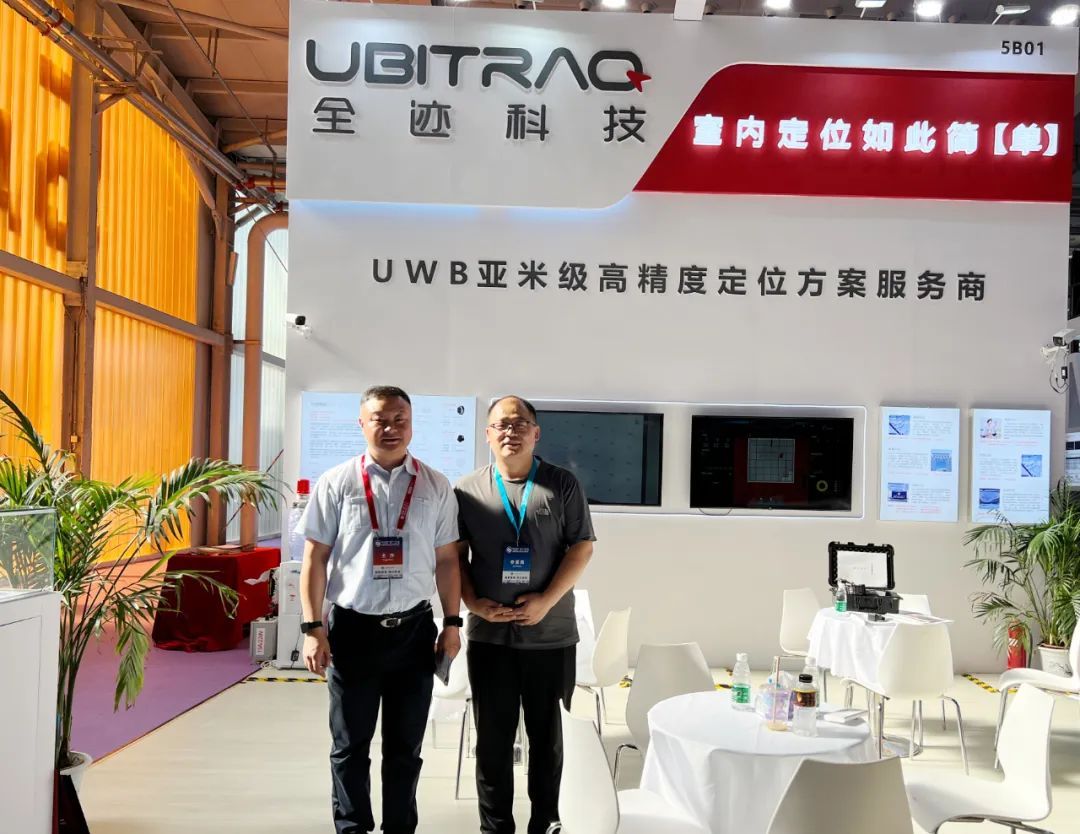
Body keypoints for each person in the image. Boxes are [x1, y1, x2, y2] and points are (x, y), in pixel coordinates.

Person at [297, 385, 462, 834]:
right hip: (352, 632)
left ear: (411, 424)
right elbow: (315, 558)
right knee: (349, 746)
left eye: (399, 420)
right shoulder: (337, 482)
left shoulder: (435, 485)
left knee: (405, 748)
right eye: (380, 420)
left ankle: (399, 828)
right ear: (362, 424)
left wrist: (451, 623)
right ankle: (351, 827)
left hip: (414, 632)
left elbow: (448, 560)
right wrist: (312, 628)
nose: (390, 428)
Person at [455, 395, 596, 834]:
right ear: (487, 434)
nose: (510, 432)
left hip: (550, 637)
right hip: (489, 638)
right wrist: (473, 603)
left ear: (536, 433)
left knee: (548, 741)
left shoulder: (562, 484)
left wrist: (546, 601)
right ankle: (495, 828)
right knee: (492, 743)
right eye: (501, 424)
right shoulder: (466, 490)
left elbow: (582, 548)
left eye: (520, 424)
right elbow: (455, 556)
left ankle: (546, 823)